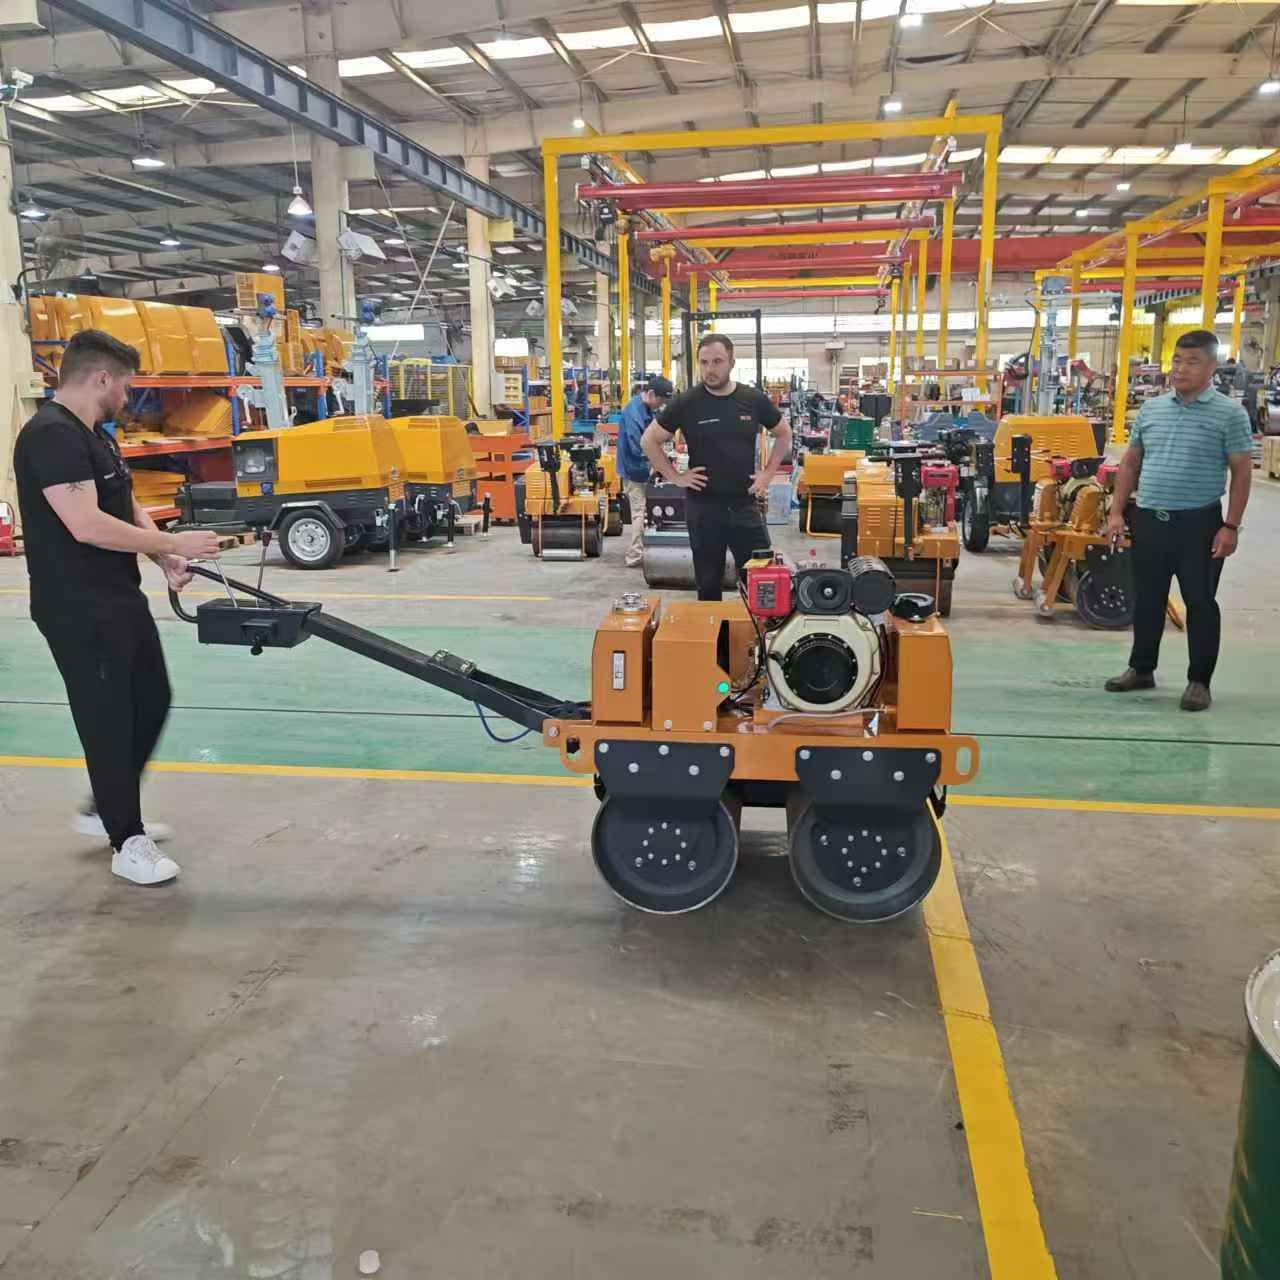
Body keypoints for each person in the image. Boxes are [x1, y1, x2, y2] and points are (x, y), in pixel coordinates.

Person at [14, 329, 222, 883]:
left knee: (152, 699)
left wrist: (164, 558)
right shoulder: (51, 437)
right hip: (76, 604)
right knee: (107, 718)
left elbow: (124, 504)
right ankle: (126, 840)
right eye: (125, 386)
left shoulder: (96, 437)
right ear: (102, 378)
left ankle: (104, 807)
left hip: (118, 594)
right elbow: (85, 524)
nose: (128, 397)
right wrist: (175, 542)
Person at [1103, 329, 1252, 712]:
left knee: (1200, 602)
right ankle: (1142, 669)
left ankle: (1199, 681)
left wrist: (1231, 526)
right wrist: (1117, 512)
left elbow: (1241, 472)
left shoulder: (1230, 414)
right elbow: (1131, 462)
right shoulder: (1152, 410)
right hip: (1150, 519)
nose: (1181, 369)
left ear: (1211, 367)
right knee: (1147, 599)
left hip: (1199, 525)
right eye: (1177, 361)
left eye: (1192, 362)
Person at [641, 333, 791, 601]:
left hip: (744, 505)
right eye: (704, 362)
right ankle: (712, 629)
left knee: (760, 583)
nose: (710, 369)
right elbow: (649, 440)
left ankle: (758, 629)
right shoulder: (687, 402)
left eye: (717, 361)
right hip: (703, 508)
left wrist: (768, 474)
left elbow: (783, 433)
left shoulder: (752, 399)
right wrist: (675, 476)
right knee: (708, 585)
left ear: (732, 362)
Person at [615, 373, 673, 569]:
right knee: (639, 512)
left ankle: (649, 549)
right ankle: (635, 555)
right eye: (661, 401)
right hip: (634, 470)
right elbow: (636, 447)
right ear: (651, 394)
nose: (661, 405)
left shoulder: (648, 409)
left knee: (649, 510)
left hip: (646, 467)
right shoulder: (633, 413)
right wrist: (657, 461)